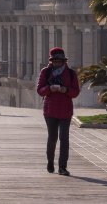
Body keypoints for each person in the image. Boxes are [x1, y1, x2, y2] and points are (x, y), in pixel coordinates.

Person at [36, 47, 80, 176]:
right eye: (55, 61)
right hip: (50, 110)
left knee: (64, 138)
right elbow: (40, 90)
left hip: (66, 110)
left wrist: (66, 90)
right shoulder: (46, 72)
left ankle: (62, 167)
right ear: (51, 61)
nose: (57, 64)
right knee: (52, 137)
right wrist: (50, 88)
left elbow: (75, 91)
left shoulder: (71, 73)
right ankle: (50, 161)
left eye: (60, 61)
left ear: (64, 61)